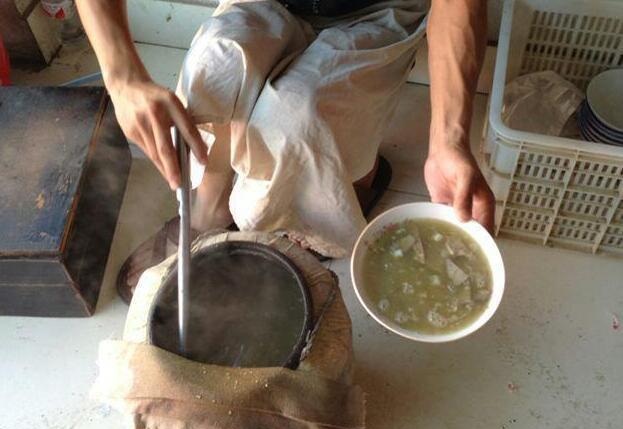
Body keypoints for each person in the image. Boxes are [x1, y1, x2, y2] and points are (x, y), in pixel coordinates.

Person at [76, 0, 494, 304]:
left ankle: (344, 190)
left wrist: (449, 141)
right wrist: (122, 76)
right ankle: (208, 212)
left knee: (298, 117)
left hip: (379, 9)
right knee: (214, 68)